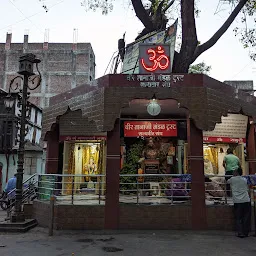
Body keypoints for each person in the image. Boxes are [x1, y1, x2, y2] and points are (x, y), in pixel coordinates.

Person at [227, 168, 251, 238]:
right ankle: (246, 232)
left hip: (237, 201)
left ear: (237, 173)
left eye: (234, 171)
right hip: (246, 200)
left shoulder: (232, 179)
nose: (233, 173)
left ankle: (240, 233)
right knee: (246, 217)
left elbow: (227, 181)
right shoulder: (244, 179)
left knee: (238, 217)